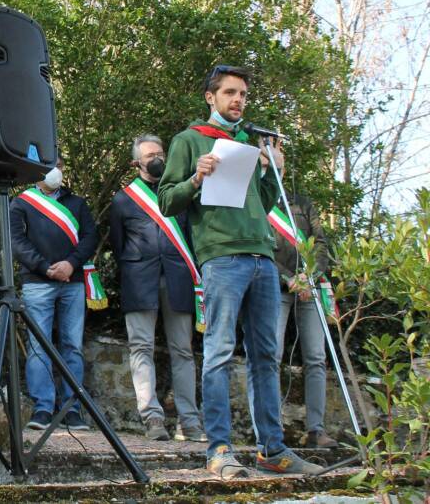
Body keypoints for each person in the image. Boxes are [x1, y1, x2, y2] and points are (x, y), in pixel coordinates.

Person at [157, 64, 322, 478]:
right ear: (210, 97)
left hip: (262, 257)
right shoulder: (189, 139)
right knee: (218, 352)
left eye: (244, 94)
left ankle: (273, 450)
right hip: (221, 258)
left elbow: (263, 204)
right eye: (230, 92)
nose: (238, 100)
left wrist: (272, 171)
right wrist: (196, 177)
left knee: (266, 355)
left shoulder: (249, 143)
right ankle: (219, 449)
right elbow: (166, 201)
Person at [109, 135, 204, 442]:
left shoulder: (180, 195)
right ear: (136, 162)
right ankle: (152, 418)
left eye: (160, 153)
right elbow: (118, 244)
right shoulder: (123, 200)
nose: (158, 159)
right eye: (151, 154)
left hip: (178, 279)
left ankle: (189, 421)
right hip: (140, 282)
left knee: (183, 351)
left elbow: (191, 237)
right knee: (141, 348)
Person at [11, 158, 97, 432]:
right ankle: (43, 407)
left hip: (72, 281)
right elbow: (16, 242)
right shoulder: (21, 203)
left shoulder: (77, 203)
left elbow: (89, 238)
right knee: (39, 346)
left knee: (72, 345)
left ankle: (72, 408)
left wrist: (71, 263)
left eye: (59, 163)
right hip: (37, 282)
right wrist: (44, 267)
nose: (54, 170)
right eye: (49, 164)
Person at [248, 193, 338, 449]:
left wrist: (310, 276)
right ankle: (271, 430)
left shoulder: (302, 201)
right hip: (275, 287)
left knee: (316, 358)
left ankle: (316, 430)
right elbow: (258, 246)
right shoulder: (255, 199)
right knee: (271, 356)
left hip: (310, 287)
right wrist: (289, 277)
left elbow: (320, 242)